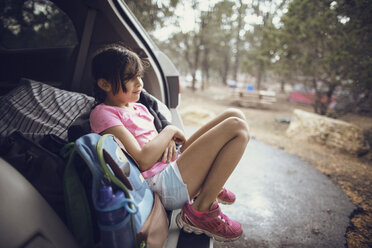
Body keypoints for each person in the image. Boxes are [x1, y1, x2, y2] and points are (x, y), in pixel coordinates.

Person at [89, 44, 250, 242]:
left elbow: (156, 142)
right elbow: (143, 160)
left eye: (139, 76)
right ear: (105, 84)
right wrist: (170, 130)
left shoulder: (138, 107)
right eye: (129, 78)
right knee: (237, 128)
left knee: (234, 114)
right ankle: (201, 212)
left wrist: (166, 141)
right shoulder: (103, 113)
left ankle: (208, 183)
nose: (139, 83)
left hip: (171, 164)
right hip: (160, 182)